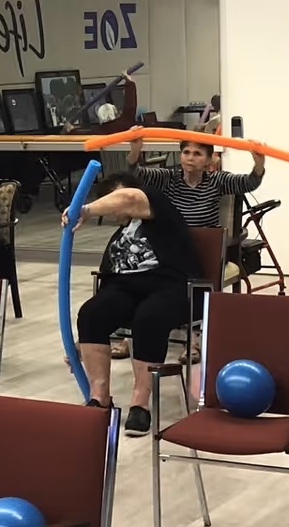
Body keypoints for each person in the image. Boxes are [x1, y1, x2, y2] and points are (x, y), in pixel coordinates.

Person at [68, 170, 198, 436]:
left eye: (115, 197)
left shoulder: (158, 207)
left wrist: (84, 209)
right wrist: (82, 342)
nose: (116, 204)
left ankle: (141, 403)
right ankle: (99, 397)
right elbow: (108, 280)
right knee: (91, 313)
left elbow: (128, 198)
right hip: (124, 288)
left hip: (167, 285)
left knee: (149, 317)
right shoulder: (119, 235)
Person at [140, 137, 264, 231]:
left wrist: (259, 164)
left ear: (209, 159)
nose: (190, 158)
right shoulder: (167, 178)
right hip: (174, 245)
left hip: (206, 247)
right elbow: (135, 175)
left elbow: (249, 183)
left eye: (197, 154)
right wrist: (135, 152)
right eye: (186, 152)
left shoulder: (216, 180)